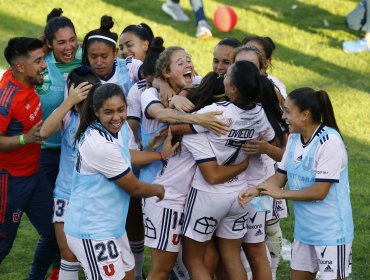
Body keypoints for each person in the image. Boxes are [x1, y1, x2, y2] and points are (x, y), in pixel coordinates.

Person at [64, 83, 179, 280]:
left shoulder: (119, 128)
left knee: (128, 276)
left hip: (112, 227)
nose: (116, 117)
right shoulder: (99, 144)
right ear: (96, 111)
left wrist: (160, 155)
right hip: (92, 230)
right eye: (108, 112)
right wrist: (159, 190)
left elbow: (125, 156)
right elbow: (134, 187)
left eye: (121, 110)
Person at [239, 87, 354, 280]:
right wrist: (256, 190)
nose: (283, 116)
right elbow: (281, 175)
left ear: (305, 116)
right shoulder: (294, 139)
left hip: (332, 234)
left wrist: (281, 194)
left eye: (287, 111)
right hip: (304, 231)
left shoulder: (330, 142)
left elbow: (320, 191)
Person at [0, 37, 58, 279]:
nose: (44, 65)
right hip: (10, 183)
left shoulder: (28, 80)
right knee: (3, 245)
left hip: (35, 177)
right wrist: (25, 139)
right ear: (20, 67)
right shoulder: (6, 99)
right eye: (38, 61)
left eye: (43, 58)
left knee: (55, 232)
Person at [40, 66, 98, 279]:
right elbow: (44, 132)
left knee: (94, 257)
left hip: (94, 197)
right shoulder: (68, 116)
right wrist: (69, 102)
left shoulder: (104, 118)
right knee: (67, 254)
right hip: (66, 194)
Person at [82, 15, 143, 95]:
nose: (99, 62)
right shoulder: (81, 77)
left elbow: (149, 73)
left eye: (104, 56)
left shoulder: (129, 66)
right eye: (93, 57)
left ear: (115, 52)